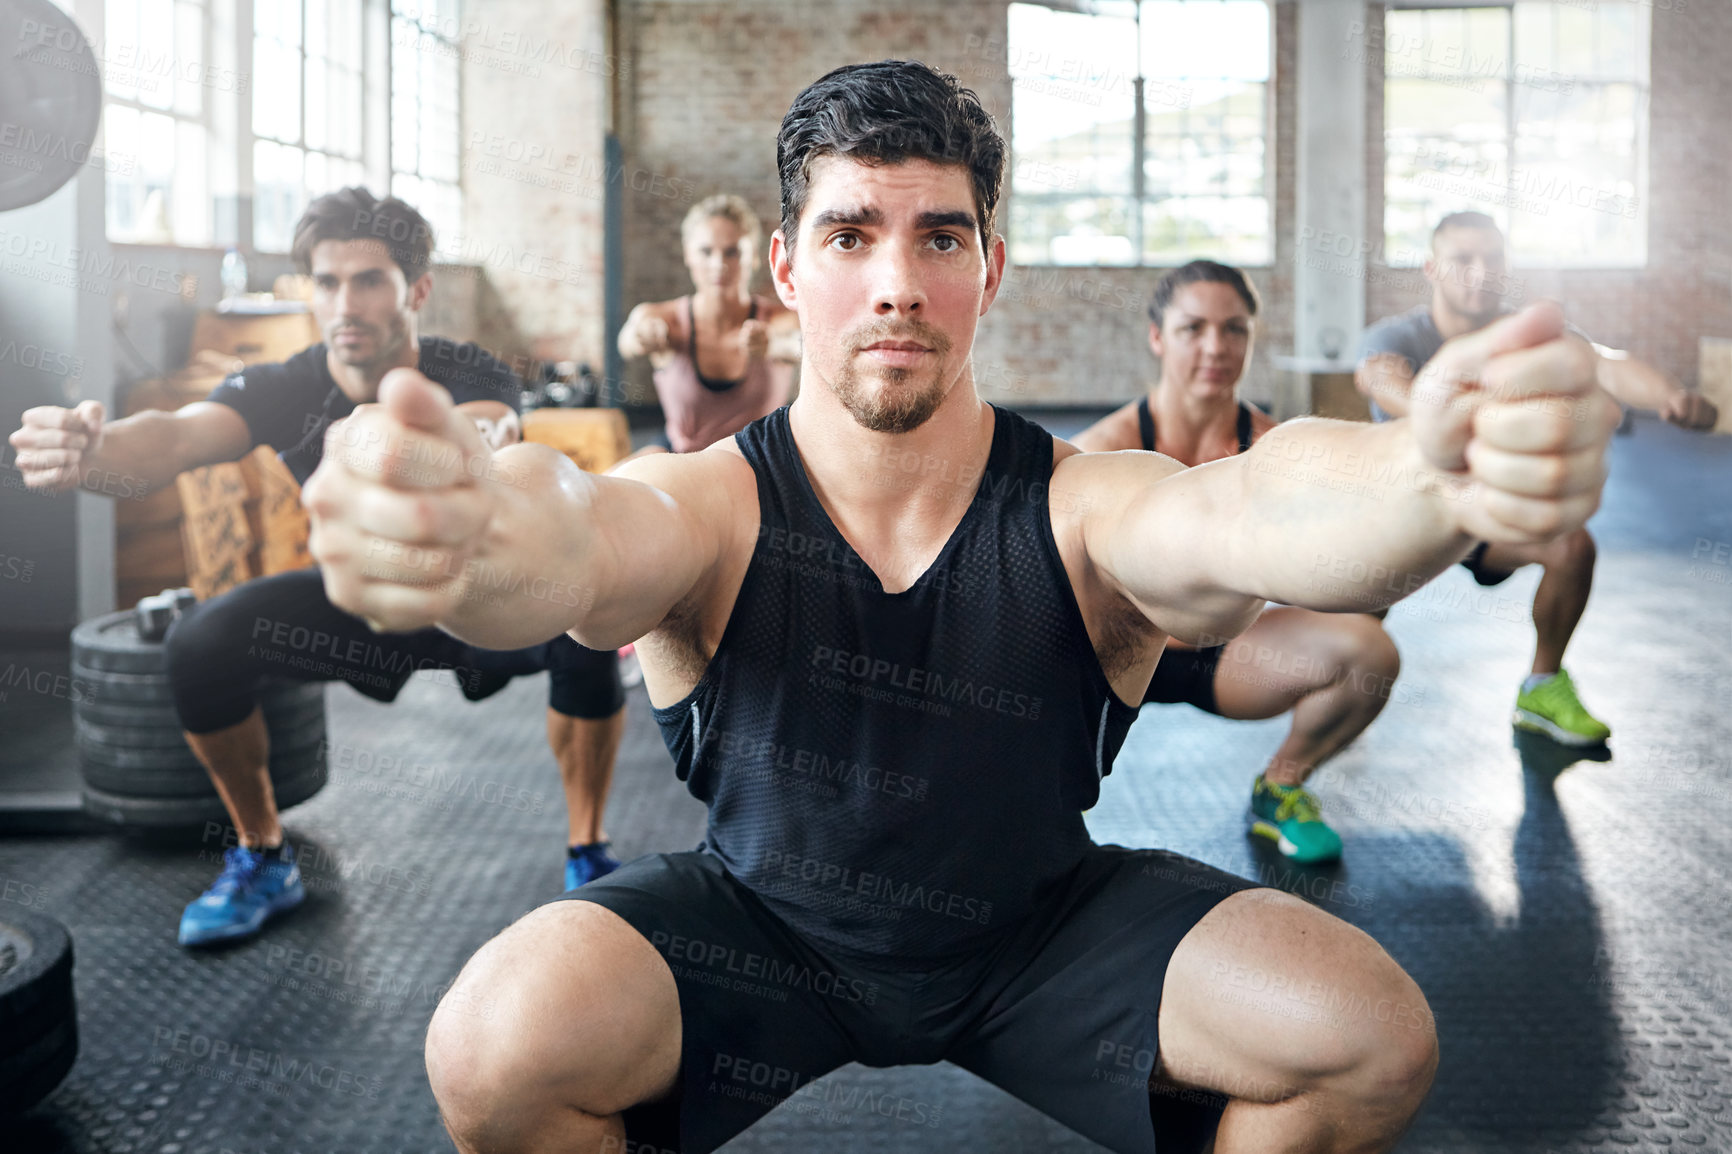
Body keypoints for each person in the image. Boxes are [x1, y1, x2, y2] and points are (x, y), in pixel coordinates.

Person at [302, 62, 1616, 1154]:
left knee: (1367, 1037)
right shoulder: (705, 504)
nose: (897, 282)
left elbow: (1257, 508)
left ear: (989, 268)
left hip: (1040, 936)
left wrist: (1428, 469)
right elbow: (572, 540)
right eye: (851, 234)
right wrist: (460, 532)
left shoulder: (1088, 503)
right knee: (495, 1048)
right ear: (785, 268)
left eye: (940, 235)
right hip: (764, 929)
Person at [7, 188, 628, 946]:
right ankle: (262, 854)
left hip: (480, 598)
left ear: (416, 289)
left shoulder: (471, 371)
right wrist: (96, 451)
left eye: (369, 280)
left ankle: (587, 851)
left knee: (583, 622)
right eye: (327, 282)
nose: (345, 303)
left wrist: (406, 452)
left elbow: (484, 432)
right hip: (361, 603)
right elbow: (173, 436)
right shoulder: (285, 384)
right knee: (202, 643)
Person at [1073, 260, 1399, 863]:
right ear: (1157, 337)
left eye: (1234, 330)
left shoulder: (1279, 454)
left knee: (1368, 654)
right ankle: (1040, 810)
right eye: (1192, 329)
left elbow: (1357, 580)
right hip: (1108, 656)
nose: (1215, 348)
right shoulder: (1102, 449)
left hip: (1219, 655)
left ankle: (1280, 789)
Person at [1356, 211, 1718, 746]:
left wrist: (1670, 395)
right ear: (1432, 269)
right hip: (1410, 510)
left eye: (1493, 258)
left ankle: (1541, 688)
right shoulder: (1400, 333)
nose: (1480, 272)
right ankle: (1342, 686)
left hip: (1489, 512)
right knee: (1352, 615)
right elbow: (1380, 375)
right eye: (1463, 260)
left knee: (1572, 548)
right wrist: (1436, 415)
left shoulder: (1527, 334)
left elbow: (1602, 362)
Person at [617, 194, 801, 453]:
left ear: (756, 258)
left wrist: (771, 346)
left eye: (732, 252)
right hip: (683, 460)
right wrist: (640, 337)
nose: (719, 265)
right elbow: (627, 340)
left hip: (760, 466)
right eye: (705, 252)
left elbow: (801, 345)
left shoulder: (779, 320)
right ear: (687, 256)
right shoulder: (665, 319)